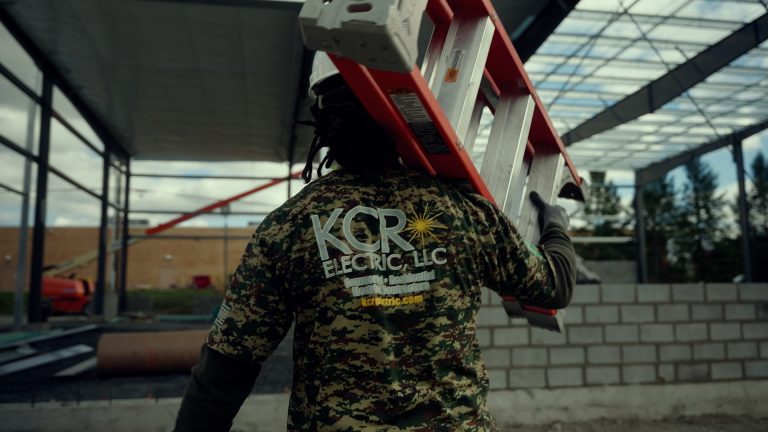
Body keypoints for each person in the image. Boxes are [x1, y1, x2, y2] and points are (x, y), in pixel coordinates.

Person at [174, 52, 576, 432]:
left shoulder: (289, 226)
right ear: (405, 104)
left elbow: (226, 369)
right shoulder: (466, 213)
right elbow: (554, 285)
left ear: (322, 118)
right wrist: (555, 224)